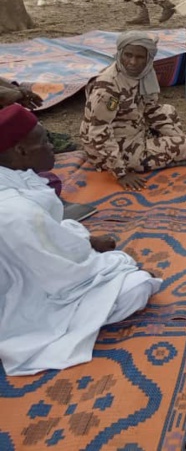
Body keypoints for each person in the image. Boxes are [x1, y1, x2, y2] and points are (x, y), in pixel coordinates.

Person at [0, 104, 161, 376]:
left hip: (31, 271)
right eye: (45, 141)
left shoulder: (14, 186)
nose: (53, 147)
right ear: (21, 151)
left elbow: (51, 236)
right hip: (18, 305)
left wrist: (86, 239)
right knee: (137, 285)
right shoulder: (17, 211)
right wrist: (117, 264)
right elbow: (64, 275)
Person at [80, 32, 186, 191]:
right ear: (120, 53)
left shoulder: (145, 73)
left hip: (133, 130)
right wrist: (121, 173)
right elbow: (98, 133)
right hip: (111, 149)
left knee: (169, 111)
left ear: (148, 58)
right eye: (128, 55)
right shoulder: (108, 87)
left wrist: (176, 137)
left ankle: (169, 151)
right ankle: (162, 156)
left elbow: (151, 108)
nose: (132, 62)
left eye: (139, 57)